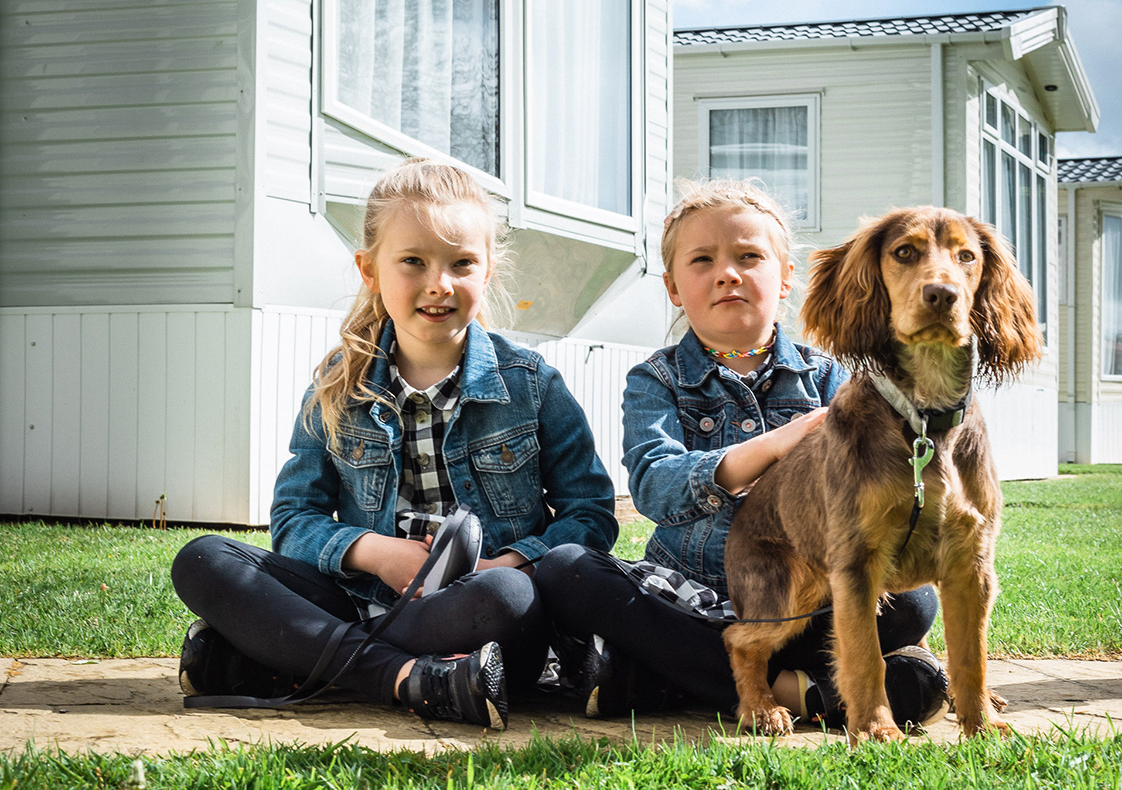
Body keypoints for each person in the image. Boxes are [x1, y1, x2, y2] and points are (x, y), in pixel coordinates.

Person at [172, 158, 618, 730]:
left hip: (480, 614)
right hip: (359, 598)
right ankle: (411, 678)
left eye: (462, 263)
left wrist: (509, 562)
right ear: (370, 270)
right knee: (204, 559)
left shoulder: (532, 385)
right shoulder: (339, 383)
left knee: (507, 594)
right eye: (413, 261)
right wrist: (375, 553)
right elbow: (294, 519)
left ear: (487, 270)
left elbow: (590, 515)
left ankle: (292, 653)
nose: (439, 284)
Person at [535, 178, 949, 729]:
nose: (727, 273)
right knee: (566, 570)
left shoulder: (831, 377)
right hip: (690, 596)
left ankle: (662, 678)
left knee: (916, 602)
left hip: (807, 601)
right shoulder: (655, 380)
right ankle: (799, 692)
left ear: (785, 278)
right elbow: (655, 485)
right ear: (673, 287)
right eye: (702, 260)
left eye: (749, 256)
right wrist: (773, 446)